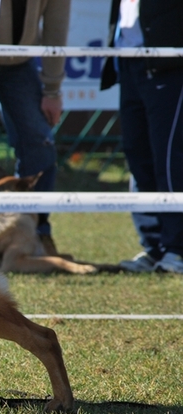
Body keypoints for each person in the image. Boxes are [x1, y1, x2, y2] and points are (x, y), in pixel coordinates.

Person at [0, 0, 71, 255]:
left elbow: (56, 27)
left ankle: (37, 233)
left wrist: (53, 90)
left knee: (40, 143)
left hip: (18, 65)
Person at [100, 0, 183, 274]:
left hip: (169, 66)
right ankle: (154, 246)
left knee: (169, 157)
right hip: (128, 63)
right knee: (137, 154)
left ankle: (177, 249)